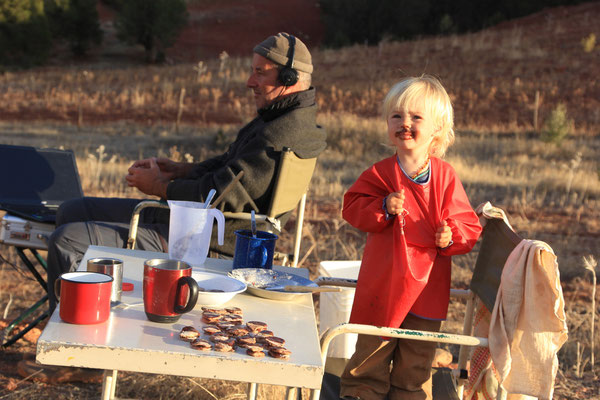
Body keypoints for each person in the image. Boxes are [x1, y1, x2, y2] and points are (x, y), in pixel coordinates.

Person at [45, 32, 326, 315]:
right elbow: (228, 167)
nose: (249, 82)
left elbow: (216, 196)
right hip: (192, 223)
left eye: (260, 73)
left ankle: (71, 330)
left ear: (289, 79)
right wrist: (181, 170)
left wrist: (160, 188)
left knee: (67, 239)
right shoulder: (281, 120)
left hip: (205, 240)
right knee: (71, 210)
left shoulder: (278, 135)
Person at [339, 75, 482, 400]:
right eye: (397, 116)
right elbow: (352, 206)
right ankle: (360, 394)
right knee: (368, 361)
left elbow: (469, 226)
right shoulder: (380, 173)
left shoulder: (445, 178)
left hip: (426, 291)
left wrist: (450, 236)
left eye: (416, 117)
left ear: (437, 129)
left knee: (415, 366)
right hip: (383, 285)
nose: (405, 123)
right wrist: (383, 207)